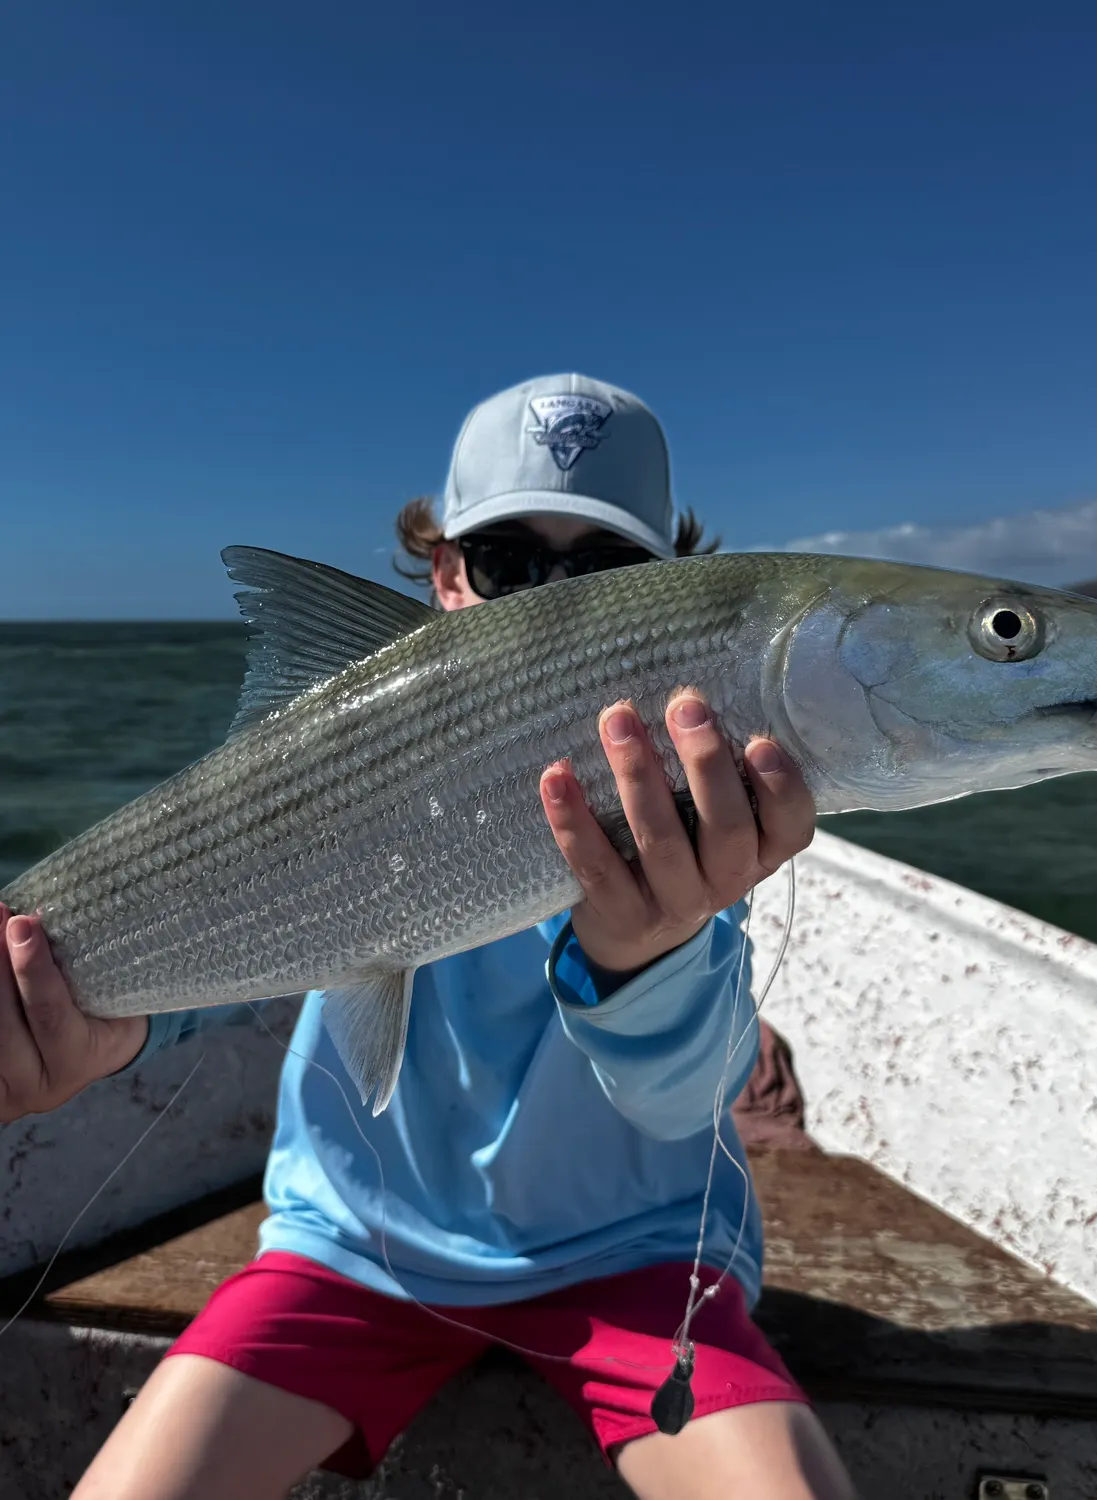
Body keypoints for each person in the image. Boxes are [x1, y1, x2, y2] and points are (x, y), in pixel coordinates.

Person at [0, 374, 857, 1500]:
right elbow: (199, 953)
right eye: (510, 563)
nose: (553, 601)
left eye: (600, 572)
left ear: (662, 596)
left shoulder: (696, 810)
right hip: (351, 1252)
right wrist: (82, 1030)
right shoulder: (341, 762)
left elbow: (679, 1090)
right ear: (447, 574)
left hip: (635, 1253)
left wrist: (643, 952)